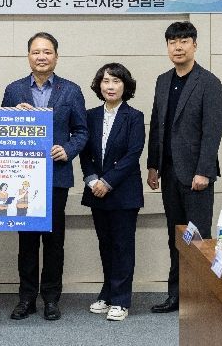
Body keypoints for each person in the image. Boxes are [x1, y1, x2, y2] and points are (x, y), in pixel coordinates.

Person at [2, 31, 88, 321]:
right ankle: (26, 298)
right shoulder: (13, 90)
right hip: (22, 178)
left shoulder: (71, 90)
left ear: (56, 56)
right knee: (26, 241)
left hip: (55, 177)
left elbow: (82, 131)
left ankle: (51, 298)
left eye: (47, 52)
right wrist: (13, 115)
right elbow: (1, 130)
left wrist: (68, 149)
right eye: (36, 52)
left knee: (53, 241)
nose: (41, 57)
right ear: (28, 56)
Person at [146, 22, 222, 313]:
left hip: (196, 176)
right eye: (172, 42)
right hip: (169, 173)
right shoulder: (162, 81)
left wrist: (204, 170)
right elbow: (157, 125)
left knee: (198, 237)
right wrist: (152, 165)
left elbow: (212, 130)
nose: (178, 47)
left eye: (184, 41)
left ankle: (202, 298)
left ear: (195, 45)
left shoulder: (208, 82)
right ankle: (176, 295)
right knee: (177, 237)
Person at [79, 63, 145, 322]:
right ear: (99, 85)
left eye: (116, 81)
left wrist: (107, 182)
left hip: (123, 192)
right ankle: (107, 293)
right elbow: (85, 153)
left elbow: (133, 154)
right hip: (96, 191)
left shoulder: (134, 116)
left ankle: (121, 300)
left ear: (125, 86)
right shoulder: (90, 115)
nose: (110, 86)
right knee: (105, 245)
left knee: (122, 247)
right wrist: (92, 180)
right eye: (106, 81)